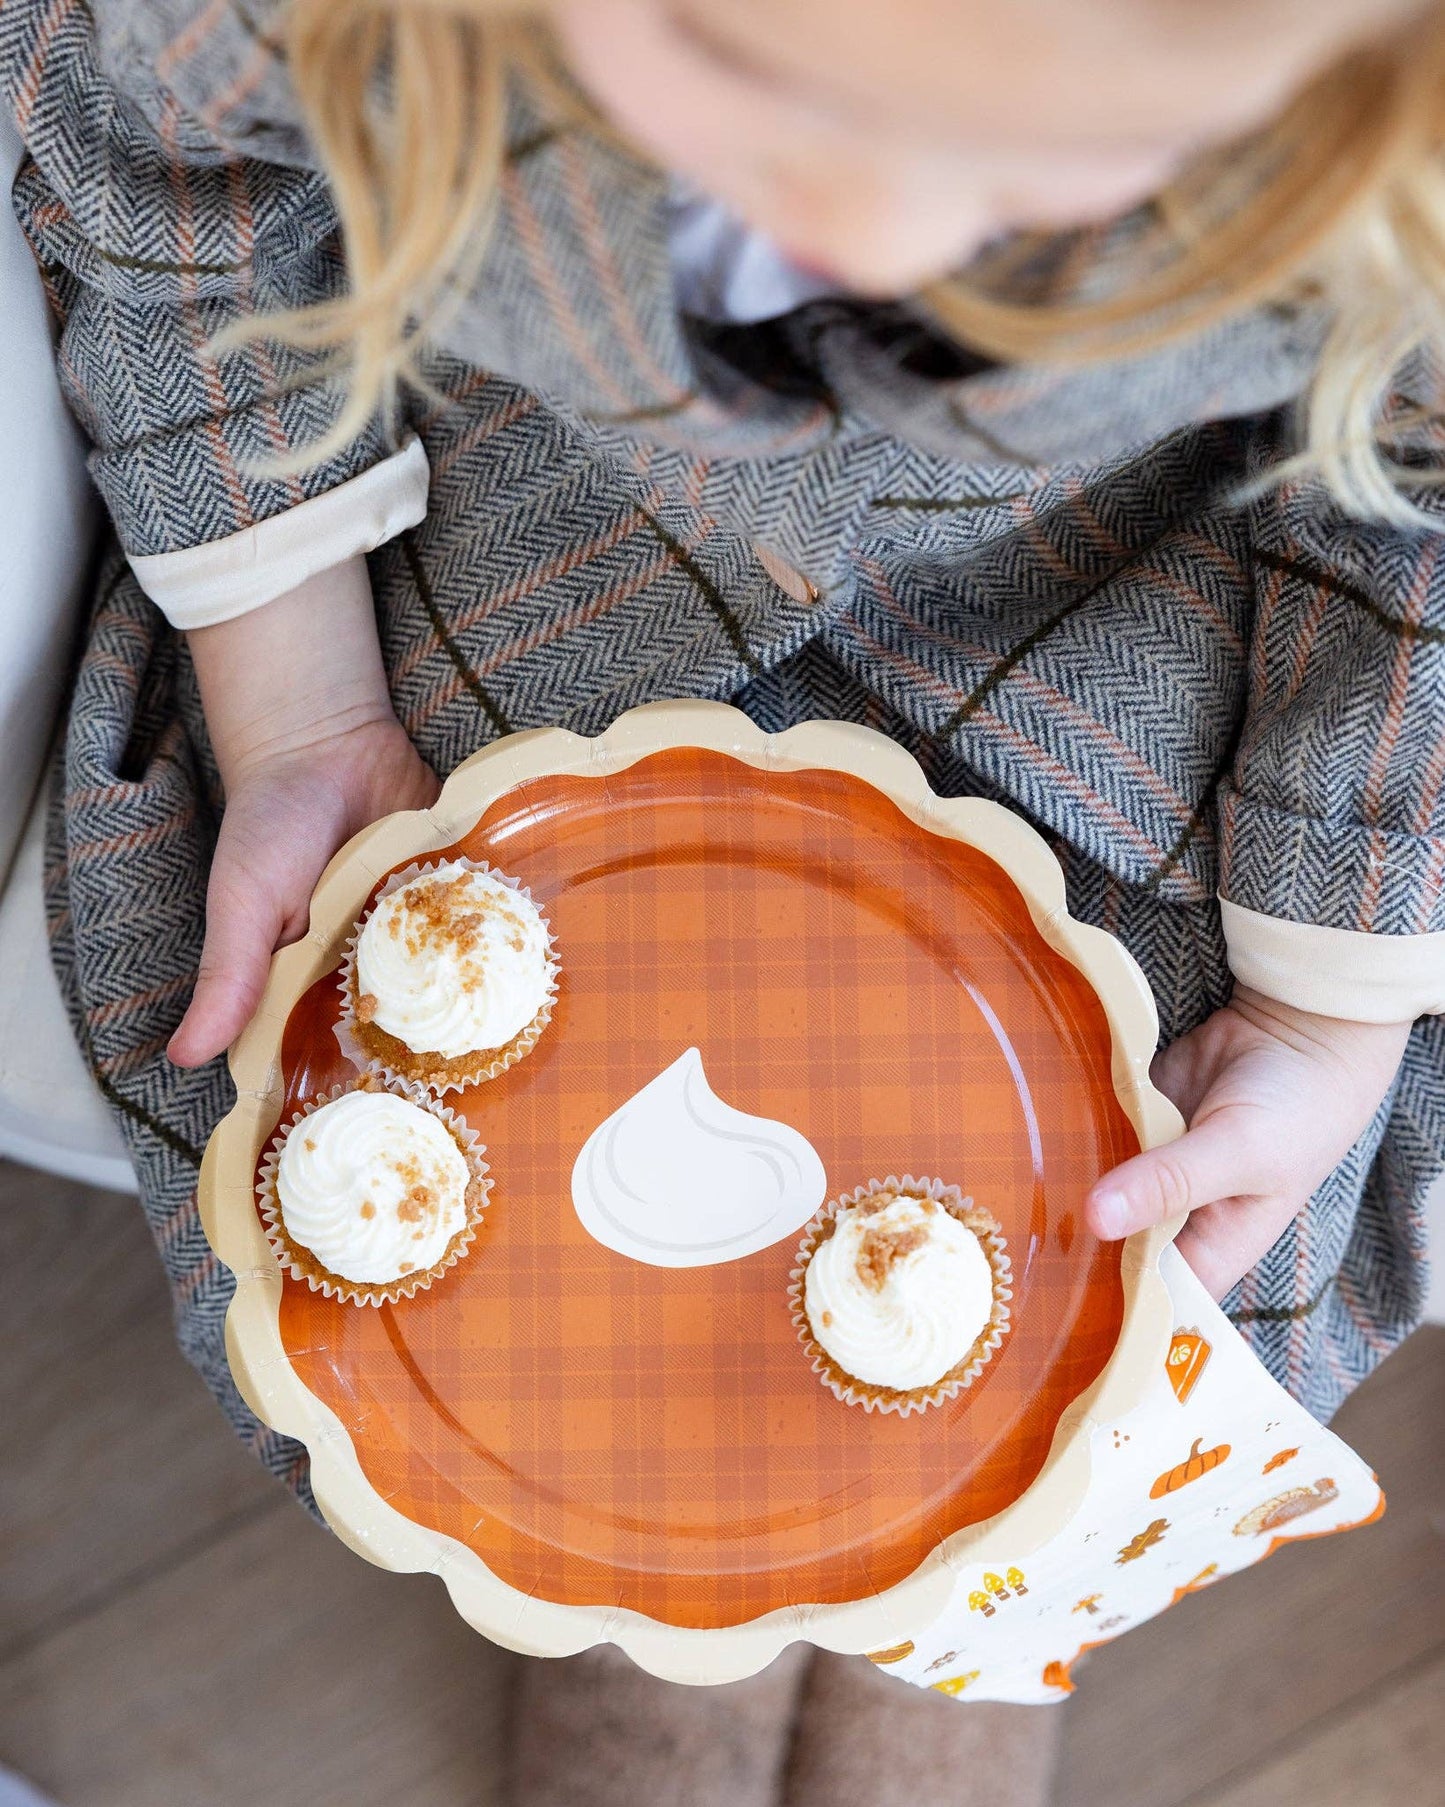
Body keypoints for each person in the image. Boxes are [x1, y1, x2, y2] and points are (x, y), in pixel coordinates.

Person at [2, 0, 1442, 1800]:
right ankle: (640, 1624)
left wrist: (1319, 998)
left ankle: (973, 1605)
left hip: (1149, 680)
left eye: (1044, 177)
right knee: (487, 1329)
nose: (871, 229)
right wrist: (296, 701)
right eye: (745, 76)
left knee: (1154, 1295)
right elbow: (160, 175)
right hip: (495, 601)